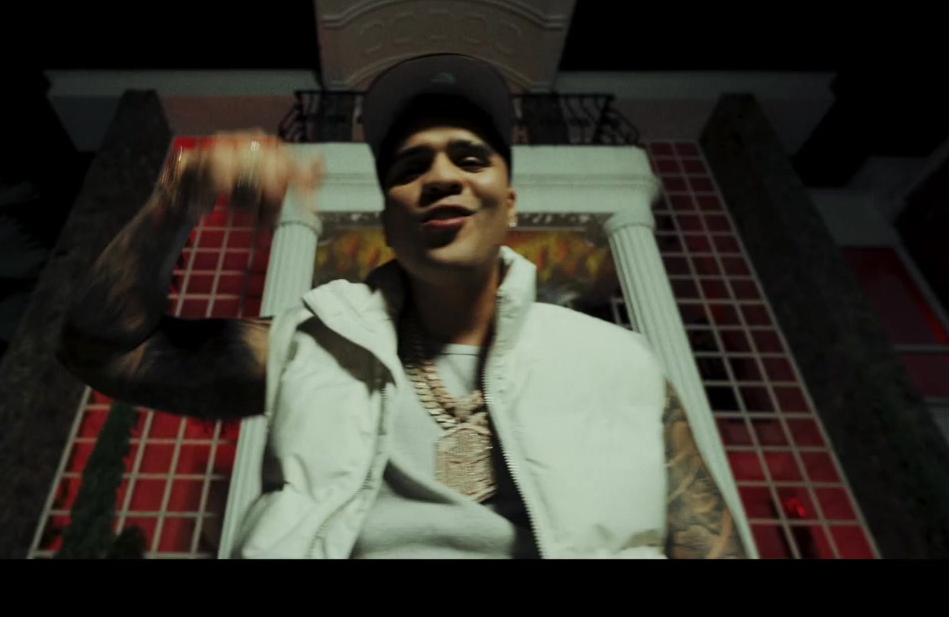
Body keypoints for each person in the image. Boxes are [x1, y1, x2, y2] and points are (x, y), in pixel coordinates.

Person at [58, 54, 747, 559]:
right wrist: (179, 197)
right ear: (388, 221)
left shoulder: (619, 362)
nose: (441, 176)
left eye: (470, 159)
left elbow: (710, 546)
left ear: (510, 206)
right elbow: (106, 350)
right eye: (410, 168)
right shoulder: (310, 347)